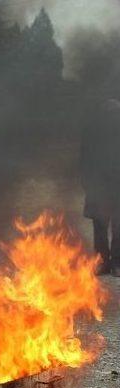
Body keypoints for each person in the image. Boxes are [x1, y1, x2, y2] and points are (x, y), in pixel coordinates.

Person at [81, 98, 120, 276]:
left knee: (104, 226)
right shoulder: (93, 134)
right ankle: (112, 264)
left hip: (105, 186)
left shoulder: (92, 131)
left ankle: (108, 263)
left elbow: (84, 161)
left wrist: (87, 184)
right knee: (108, 225)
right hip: (101, 186)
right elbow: (85, 160)